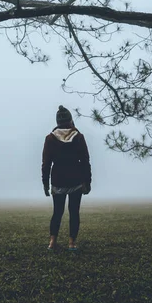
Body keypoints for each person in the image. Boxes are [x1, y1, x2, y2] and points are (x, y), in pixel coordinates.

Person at [42, 105, 92, 251]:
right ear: (70, 120)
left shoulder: (50, 138)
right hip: (76, 179)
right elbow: (85, 161)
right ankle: (71, 243)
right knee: (74, 212)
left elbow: (46, 164)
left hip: (57, 180)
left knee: (57, 212)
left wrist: (46, 184)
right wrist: (87, 182)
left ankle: (52, 242)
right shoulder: (79, 137)